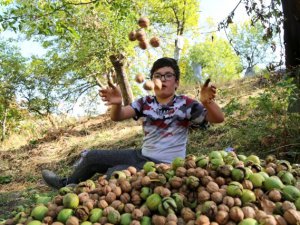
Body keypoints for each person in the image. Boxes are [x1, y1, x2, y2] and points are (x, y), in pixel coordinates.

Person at [42, 57, 224, 189]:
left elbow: (217, 119)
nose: (163, 79)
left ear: (176, 82)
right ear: (153, 82)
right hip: (141, 155)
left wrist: (208, 102)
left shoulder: (186, 103)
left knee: (114, 173)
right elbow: (118, 115)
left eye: (168, 75)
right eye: (157, 75)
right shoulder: (145, 102)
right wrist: (116, 104)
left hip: (165, 165)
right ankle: (66, 184)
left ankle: (84, 193)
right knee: (92, 157)